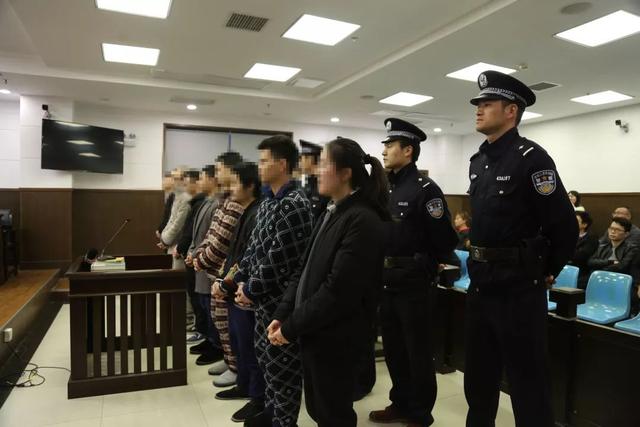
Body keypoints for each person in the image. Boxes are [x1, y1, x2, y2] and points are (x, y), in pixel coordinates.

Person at [464, 70, 578, 427]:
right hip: (481, 285)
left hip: (517, 289)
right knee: (478, 379)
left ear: (511, 110)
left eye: (488, 103)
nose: (479, 109)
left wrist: (547, 270)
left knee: (528, 383)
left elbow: (565, 227)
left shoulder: (532, 158)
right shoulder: (478, 162)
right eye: (479, 103)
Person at [268, 138, 390, 427]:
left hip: (337, 337)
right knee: (319, 409)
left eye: (323, 164)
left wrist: (291, 327)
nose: (316, 171)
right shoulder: (331, 210)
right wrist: (282, 314)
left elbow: (338, 291)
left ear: (345, 173)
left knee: (333, 413)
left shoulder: (363, 219)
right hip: (314, 330)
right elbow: (303, 268)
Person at [369, 118, 458, 427]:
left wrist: (426, 262)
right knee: (394, 350)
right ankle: (400, 403)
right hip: (386, 282)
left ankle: (420, 413)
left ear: (408, 150)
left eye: (390, 145)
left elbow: (445, 239)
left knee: (417, 352)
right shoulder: (385, 188)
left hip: (414, 284)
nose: (384, 151)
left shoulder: (426, 190)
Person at [232, 135, 313, 427]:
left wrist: (251, 289)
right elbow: (254, 248)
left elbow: (279, 260)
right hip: (261, 301)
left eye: (265, 161)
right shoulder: (269, 201)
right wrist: (239, 280)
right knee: (266, 362)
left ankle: (284, 421)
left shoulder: (295, 203)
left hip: (281, 303)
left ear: (282, 164)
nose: (260, 166)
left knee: (283, 369)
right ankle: (271, 413)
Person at [212, 162, 266, 423]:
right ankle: (243, 385)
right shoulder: (246, 211)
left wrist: (228, 282)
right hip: (234, 287)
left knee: (251, 349)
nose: (231, 188)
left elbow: (248, 258)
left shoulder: (257, 212)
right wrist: (223, 279)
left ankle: (257, 398)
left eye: (236, 183)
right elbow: (234, 255)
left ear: (250, 186)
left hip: (246, 291)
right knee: (240, 345)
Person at [192, 152, 244, 383]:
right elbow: (210, 235)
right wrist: (199, 255)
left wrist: (201, 260)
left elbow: (222, 242)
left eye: (219, 168)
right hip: (213, 272)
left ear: (231, 171)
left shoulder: (236, 203)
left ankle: (235, 365)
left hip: (224, 274)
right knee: (219, 321)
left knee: (227, 323)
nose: (216, 173)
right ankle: (228, 358)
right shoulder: (224, 200)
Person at [183, 165, 225, 365]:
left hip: (209, 264)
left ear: (213, 179)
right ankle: (209, 339)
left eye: (203, 178)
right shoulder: (206, 202)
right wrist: (192, 252)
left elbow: (213, 237)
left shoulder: (217, 204)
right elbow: (198, 235)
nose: (199, 182)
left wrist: (197, 255)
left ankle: (216, 345)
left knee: (210, 307)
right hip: (199, 259)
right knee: (202, 303)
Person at [158, 169, 192, 269]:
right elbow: (170, 220)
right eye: (173, 178)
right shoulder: (177, 196)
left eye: (176, 178)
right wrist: (164, 238)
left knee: (177, 275)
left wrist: (165, 240)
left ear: (183, 180)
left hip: (178, 245)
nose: (173, 181)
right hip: (171, 243)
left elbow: (177, 225)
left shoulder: (185, 198)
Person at [299, 139, 330, 223]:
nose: (299, 162)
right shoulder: (308, 183)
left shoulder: (324, 186)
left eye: (302, 158)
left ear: (310, 159)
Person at [569, 211, 599, 289]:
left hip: (581, 270)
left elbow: (582, 255)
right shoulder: (568, 235)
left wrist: (565, 253)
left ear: (584, 224)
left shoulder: (591, 238)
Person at [156, 171, 175, 238]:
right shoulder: (170, 195)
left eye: (165, 180)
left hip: (171, 234)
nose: (163, 183)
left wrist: (161, 229)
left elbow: (169, 216)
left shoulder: (174, 196)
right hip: (167, 232)